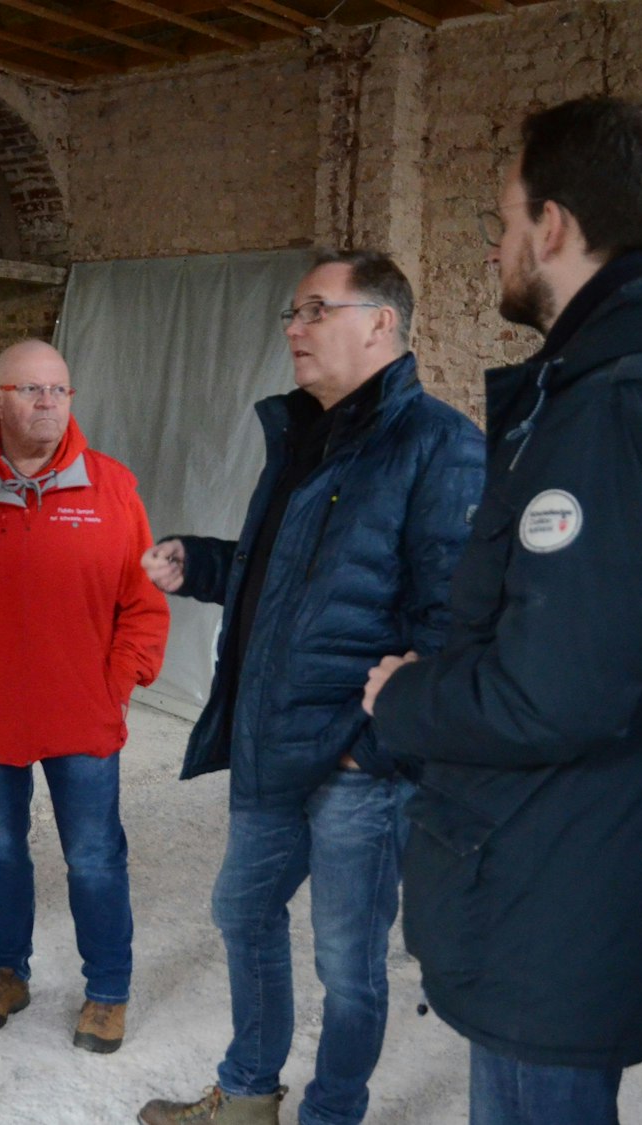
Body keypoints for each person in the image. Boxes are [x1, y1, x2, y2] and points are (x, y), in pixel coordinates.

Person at [361, 97, 642, 1125]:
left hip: (555, 888)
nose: (496, 250)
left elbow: (550, 693)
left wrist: (406, 698)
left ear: (550, 226)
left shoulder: (620, 405)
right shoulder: (632, 385)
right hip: (561, 872)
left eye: (500, 224)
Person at [136, 250, 484, 1125]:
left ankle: (333, 1114)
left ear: (381, 323)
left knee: (347, 962)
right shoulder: (301, 434)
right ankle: (250, 1094)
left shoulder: (441, 447)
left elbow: (456, 626)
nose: (294, 329)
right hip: (271, 738)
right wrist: (203, 562)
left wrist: (377, 749)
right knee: (242, 911)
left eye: (315, 310)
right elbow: (285, 578)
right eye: (292, 313)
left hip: (356, 762)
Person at [0, 339, 169, 1054]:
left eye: (59, 391)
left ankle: (107, 989)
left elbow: (143, 603)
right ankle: (4, 972)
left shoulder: (112, 490)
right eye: (31, 389)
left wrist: (116, 686)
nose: (48, 403)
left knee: (94, 856)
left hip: (82, 713)